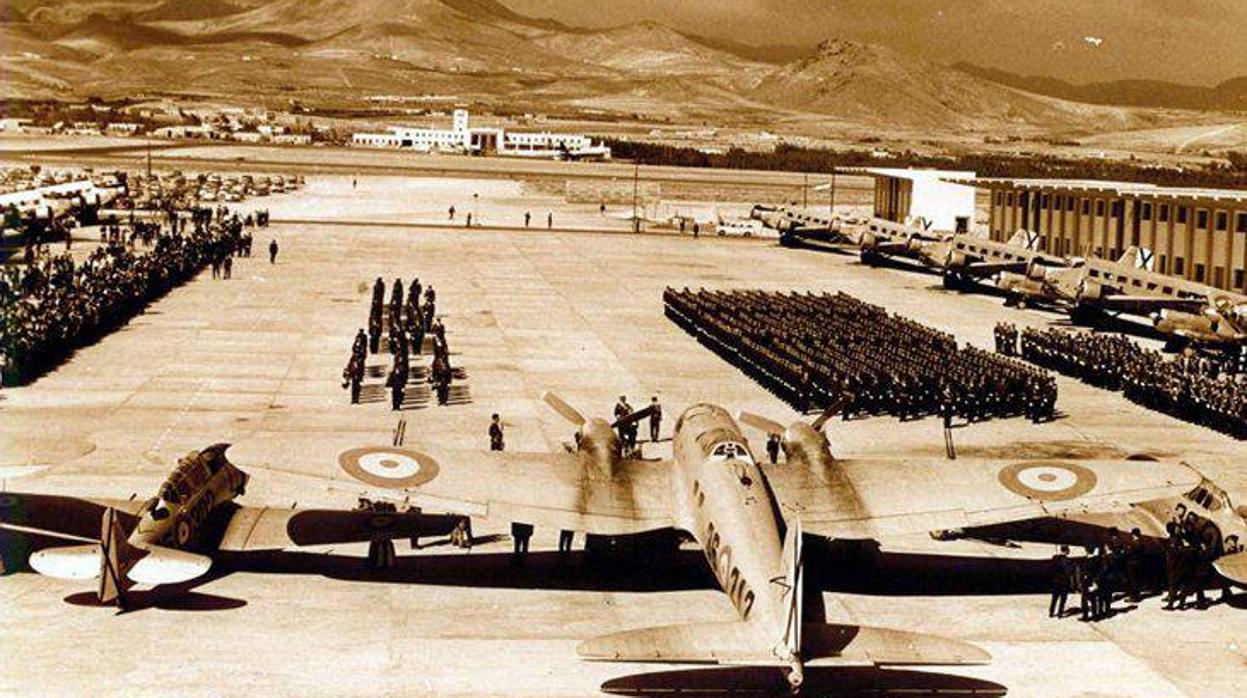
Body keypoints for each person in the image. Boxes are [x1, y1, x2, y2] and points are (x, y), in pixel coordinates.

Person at [1049, 545, 1072, 618]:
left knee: (1054, 597)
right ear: (1066, 551)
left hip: (1056, 580)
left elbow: (1051, 568)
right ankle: (1060, 613)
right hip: (1064, 582)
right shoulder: (1068, 561)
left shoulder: (1055, 558)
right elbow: (1068, 572)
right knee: (1063, 598)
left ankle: (1051, 612)